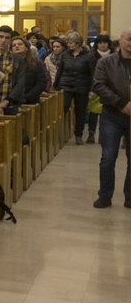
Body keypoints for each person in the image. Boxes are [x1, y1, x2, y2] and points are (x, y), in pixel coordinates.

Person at [91, 28, 131, 208]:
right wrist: (122, 104)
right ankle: (105, 195)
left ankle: (130, 196)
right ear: (120, 41)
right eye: (129, 39)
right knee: (108, 157)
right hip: (112, 114)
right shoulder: (106, 62)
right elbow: (99, 85)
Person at [54, 31, 96, 145]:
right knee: (63, 107)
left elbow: (93, 74)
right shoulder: (66, 54)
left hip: (82, 86)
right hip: (66, 85)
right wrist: (56, 85)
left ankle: (78, 135)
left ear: (78, 43)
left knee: (80, 111)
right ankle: (60, 134)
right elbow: (60, 70)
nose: (68, 45)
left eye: (70, 43)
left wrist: (92, 89)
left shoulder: (88, 56)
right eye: (67, 42)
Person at [0, 26, 26, 116]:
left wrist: (7, 101)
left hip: (11, 103)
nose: (3, 40)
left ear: (10, 40)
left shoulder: (17, 58)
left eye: (7, 38)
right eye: (1, 37)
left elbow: (20, 82)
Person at [11, 36, 47, 106]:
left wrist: (27, 98)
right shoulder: (9, 63)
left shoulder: (36, 63)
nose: (16, 46)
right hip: (12, 101)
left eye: (20, 44)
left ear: (26, 47)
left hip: (30, 101)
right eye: (14, 45)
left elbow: (41, 83)